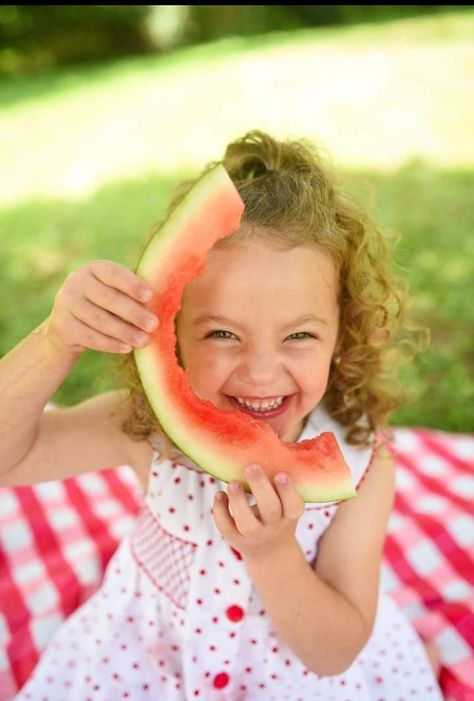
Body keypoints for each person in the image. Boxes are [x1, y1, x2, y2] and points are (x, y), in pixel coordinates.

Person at [1, 130, 442, 700]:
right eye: (223, 333)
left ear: (342, 334)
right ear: (171, 333)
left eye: (300, 335)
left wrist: (272, 553)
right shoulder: (147, 429)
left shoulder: (362, 462)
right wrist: (56, 339)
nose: (261, 374)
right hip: (152, 662)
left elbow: (334, 651)